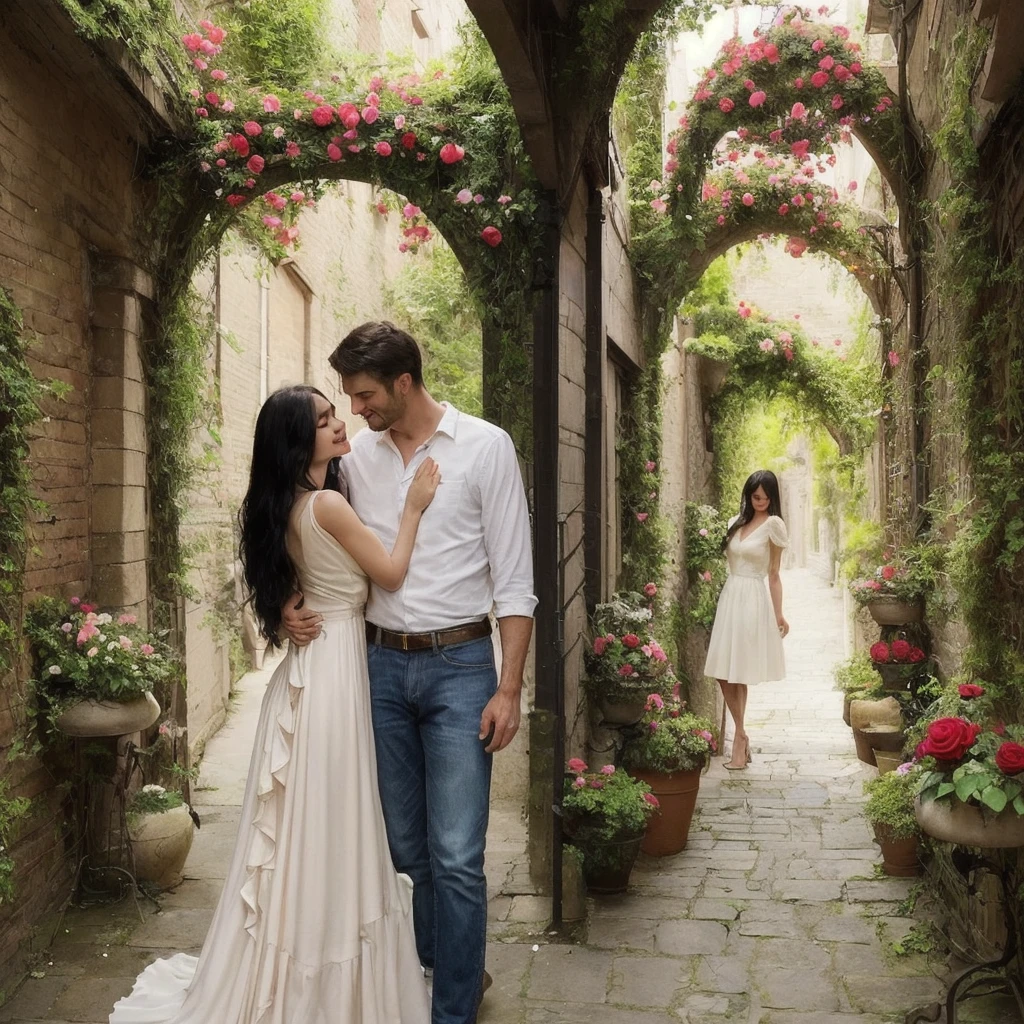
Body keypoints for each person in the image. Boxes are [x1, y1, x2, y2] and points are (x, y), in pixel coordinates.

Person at [110, 385, 440, 1024]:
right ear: (299, 441)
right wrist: (414, 507)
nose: (338, 423)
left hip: (313, 672)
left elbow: (296, 580)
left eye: (334, 412)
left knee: (312, 824)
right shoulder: (327, 506)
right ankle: (321, 979)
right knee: (335, 820)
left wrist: (287, 611)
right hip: (335, 669)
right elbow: (391, 574)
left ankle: (298, 963)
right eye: (323, 420)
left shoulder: (288, 505)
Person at [282, 322, 536, 1024]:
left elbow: (516, 584)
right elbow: (296, 523)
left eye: (363, 396)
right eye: (346, 400)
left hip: (461, 670)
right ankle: (436, 976)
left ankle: (451, 1011)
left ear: (402, 383)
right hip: (378, 669)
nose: (354, 410)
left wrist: (508, 688)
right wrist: (284, 604)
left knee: (456, 854)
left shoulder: (486, 448)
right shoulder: (354, 461)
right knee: (404, 849)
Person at [703, 469, 789, 771]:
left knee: (738, 669)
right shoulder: (734, 523)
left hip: (753, 598)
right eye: (756, 497)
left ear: (772, 498)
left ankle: (739, 740)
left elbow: (774, 573)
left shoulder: (774, 526)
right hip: (730, 596)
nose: (761, 501)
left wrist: (779, 614)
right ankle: (742, 733)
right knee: (722, 670)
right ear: (749, 495)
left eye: (766, 497)